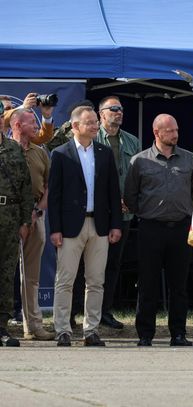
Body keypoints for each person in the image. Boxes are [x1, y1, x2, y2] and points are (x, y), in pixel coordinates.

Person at [48, 106, 122, 347]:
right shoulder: (60, 154)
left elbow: (113, 191)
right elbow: (55, 195)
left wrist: (115, 225)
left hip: (99, 225)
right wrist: (55, 228)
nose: (94, 126)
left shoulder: (104, 152)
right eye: (89, 122)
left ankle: (91, 330)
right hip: (70, 227)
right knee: (65, 280)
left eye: (94, 122)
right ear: (75, 126)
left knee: (96, 280)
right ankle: (62, 330)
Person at [124, 113, 193, 347]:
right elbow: (130, 196)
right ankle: (145, 334)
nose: (175, 134)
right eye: (170, 131)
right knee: (148, 284)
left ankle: (178, 333)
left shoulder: (189, 159)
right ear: (157, 133)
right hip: (151, 229)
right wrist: (145, 212)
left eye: (176, 130)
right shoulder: (139, 161)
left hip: (180, 229)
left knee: (179, 286)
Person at [10, 109, 55, 341]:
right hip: (8, 217)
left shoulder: (40, 152)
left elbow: (48, 185)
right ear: (17, 124)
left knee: (31, 275)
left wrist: (38, 211)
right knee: (5, 273)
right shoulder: (5, 150)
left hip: (36, 216)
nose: (36, 125)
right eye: (31, 122)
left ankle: (33, 326)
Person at [96, 96, 141, 329]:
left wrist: (130, 201)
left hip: (121, 214)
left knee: (112, 264)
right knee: (86, 265)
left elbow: (138, 177)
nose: (119, 112)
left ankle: (105, 311)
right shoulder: (90, 137)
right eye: (113, 109)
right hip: (94, 213)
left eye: (121, 109)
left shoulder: (132, 142)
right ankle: (75, 312)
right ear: (101, 114)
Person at [0, 103, 33, 347]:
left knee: (6, 273)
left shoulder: (13, 148)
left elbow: (25, 186)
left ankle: (1, 326)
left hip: (10, 216)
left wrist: (24, 220)